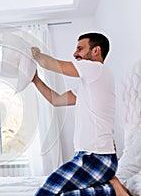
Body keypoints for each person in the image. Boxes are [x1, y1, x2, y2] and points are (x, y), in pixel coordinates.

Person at [31, 32, 130, 195]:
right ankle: (111, 189)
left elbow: (50, 64)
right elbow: (56, 100)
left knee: (45, 193)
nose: (75, 53)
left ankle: (112, 191)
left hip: (96, 158)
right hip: (89, 157)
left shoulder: (95, 68)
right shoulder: (90, 84)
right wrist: (35, 80)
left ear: (96, 50)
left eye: (80, 48)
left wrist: (35, 54)